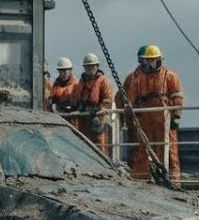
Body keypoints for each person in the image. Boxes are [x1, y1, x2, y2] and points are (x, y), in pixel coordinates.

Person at [120, 44, 183, 184]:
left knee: (169, 151)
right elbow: (123, 99)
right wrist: (124, 119)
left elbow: (177, 98)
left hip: (164, 121)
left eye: (152, 60)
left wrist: (176, 117)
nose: (149, 63)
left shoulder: (169, 77)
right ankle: (141, 181)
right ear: (140, 60)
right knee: (140, 151)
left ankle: (173, 183)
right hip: (142, 121)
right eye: (146, 60)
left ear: (158, 59)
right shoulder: (132, 78)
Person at [73, 52, 115, 157]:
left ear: (97, 66)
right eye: (87, 67)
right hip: (84, 119)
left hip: (98, 119)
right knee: (84, 145)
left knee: (100, 145)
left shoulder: (103, 81)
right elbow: (77, 97)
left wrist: (98, 110)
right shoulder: (82, 82)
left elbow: (108, 100)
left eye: (92, 66)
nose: (89, 69)